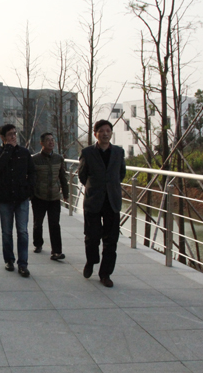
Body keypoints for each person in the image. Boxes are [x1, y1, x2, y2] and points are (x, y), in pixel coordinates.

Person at [78, 119, 126, 288]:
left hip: (112, 201)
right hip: (93, 200)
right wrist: (95, 187)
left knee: (111, 240)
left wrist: (110, 187)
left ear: (111, 133)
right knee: (91, 237)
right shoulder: (87, 153)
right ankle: (91, 261)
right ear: (95, 134)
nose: (105, 134)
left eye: (108, 131)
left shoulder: (119, 152)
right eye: (102, 131)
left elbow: (121, 174)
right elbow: (82, 176)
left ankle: (105, 274)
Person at [0, 124, 35, 277]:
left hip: (21, 197)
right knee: (6, 231)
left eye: (15, 133)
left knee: (22, 231)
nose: (13, 136)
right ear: (2, 137)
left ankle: (23, 264)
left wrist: (29, 190)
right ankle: (9, 260)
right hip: (5, 197)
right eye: (10, 134)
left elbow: (32, 172)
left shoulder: (24, 152)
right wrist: (8, 149)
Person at [31, 132, 69, 261]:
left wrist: (65, 194)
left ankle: (57, 251)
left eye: (52, 140)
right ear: (41, 143)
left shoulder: (58, 158)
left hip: (54, 197)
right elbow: (31, 178)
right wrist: (30, 194)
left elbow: (63, 177)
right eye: (48, 140)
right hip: (38, 196)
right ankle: (38, 243)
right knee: (38, 223)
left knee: (55, 224)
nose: (51, 142)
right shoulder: (35, 159)